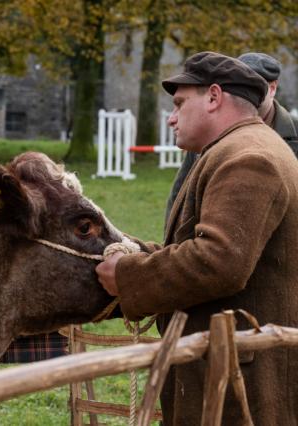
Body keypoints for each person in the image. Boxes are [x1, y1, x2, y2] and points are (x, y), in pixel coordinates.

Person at [96, 52, 298, 425]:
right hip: (225, 365)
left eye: (179, 104)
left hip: (240, 382)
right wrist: (134, 252)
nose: (171, 118)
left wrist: (128, 276)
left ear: (214, 97)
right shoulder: (237, 148)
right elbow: (200, 245)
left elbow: (219, 261)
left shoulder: (249, 157)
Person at [165, 52, 298, 221]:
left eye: (254, 86)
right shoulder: (211, 133)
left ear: (272, 88)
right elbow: (181, 193)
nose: (244, 91)